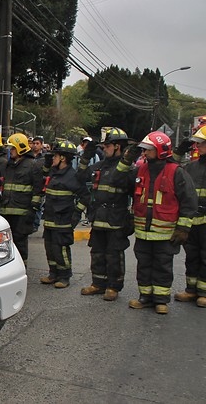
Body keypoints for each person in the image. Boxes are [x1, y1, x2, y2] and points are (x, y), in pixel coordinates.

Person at [126, 131, 197, 315]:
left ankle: (161, 299)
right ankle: (145, 297)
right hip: (143, 232)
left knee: (162, 266)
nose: (145, 153)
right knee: (144, 265)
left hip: (165, 233)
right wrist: (126, 160)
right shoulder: (140, 169)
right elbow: (123, 185)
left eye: (148, 149)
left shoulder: (176, 172)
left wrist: (183, 228)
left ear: (160, 151)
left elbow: (189, 201)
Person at [77, 128, 133, 300]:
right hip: (98, 217)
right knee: (97, 253)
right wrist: (85, 158)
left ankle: (113, 287)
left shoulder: (127, 169)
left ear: (117, 146)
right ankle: (98, 284)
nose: (104, 148)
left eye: (107, 145)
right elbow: (80, 177)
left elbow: (129, 188)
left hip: (116, 219)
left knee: (114, 254)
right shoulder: (100, 165)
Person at [39, 141, 90, 288]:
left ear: (63, 158)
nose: (52, 158)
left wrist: (76, 214)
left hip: (63, 220)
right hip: (49, 219)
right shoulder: (54, 173)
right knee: (49, 247)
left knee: (61, 248)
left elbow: (85, 197)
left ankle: (65, 276)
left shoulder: (73, 177)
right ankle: (53, 273)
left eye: (55, 155)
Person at [173, 127, 206, 307]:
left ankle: (204, 292)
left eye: (202, 143)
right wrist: (178, 152)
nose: (197, 146)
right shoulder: (191, 167)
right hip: (193, 219)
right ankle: (191, 290)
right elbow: (171, 168)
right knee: (191, 255)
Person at [0, 133, 44, 261]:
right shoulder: (9, 165)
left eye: (12, 148)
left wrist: (32, 211)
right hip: (7, 211)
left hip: (23, 213)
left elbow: (37, 190)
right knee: (6, 244)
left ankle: (22, 268)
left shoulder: (32, 165)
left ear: (20, 148)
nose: (10, 151)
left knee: (20, 244)